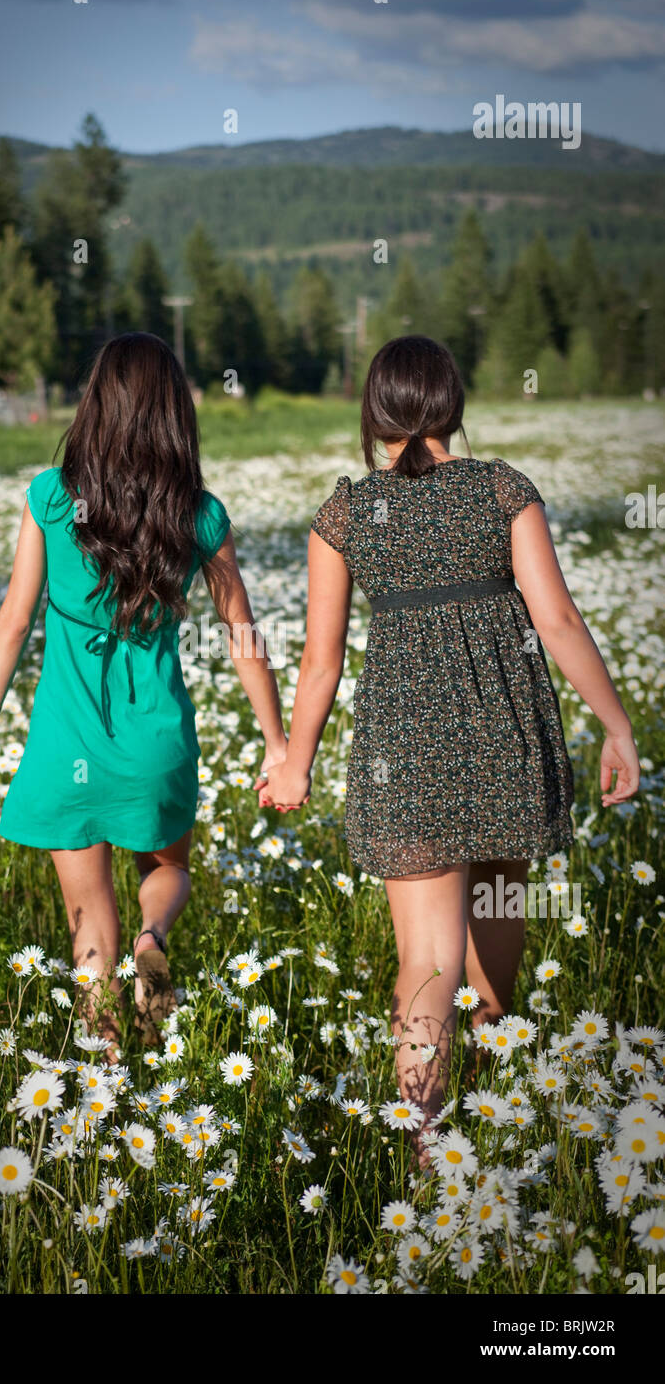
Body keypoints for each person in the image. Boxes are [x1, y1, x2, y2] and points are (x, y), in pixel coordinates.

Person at [258, 334, 640, 1168]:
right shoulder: (502, 490)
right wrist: (617, 726)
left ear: (374, 414)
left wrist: (295, 762)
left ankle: (428, 1145)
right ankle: (503, 1109)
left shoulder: (348, 515)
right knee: (499, 924)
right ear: (452, 407)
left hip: (405, 753)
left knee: (426, 961)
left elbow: (320, 662)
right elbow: (560, 623)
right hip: (505, 738)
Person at [0, 333, 287, 1063]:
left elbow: (14, 620)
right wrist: (276, 743)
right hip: (156, 745)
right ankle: (155, 939)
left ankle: (108, 1066)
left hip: (64, 745)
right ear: (173, 413)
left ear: (96, 404)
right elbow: (243, 636)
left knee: (87, 919)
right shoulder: (199, 513)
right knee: (165, 870)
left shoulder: (51, 498)